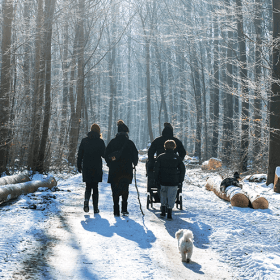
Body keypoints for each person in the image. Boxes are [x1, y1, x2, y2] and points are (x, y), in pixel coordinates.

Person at [105, 120, 138, 216]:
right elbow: (135, 156)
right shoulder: (130, 143)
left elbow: (106, 154)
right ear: (126, 133)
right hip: (126, 170)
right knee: (125, 189)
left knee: (115, 189)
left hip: (114, 170)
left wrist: (109, 163)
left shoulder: (112, 142)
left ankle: (116, 209)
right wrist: (134, 164)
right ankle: (124, 209)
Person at [77, 123, 106, 213]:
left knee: (88, 186)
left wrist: (79, 165)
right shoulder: (100, 142)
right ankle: (96, 208)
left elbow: (80, 154)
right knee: (95, 187)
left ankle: (86, 202)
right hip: (96, 167)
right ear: (98, 131)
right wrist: (111, 163)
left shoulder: (84, 140)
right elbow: (104, 154)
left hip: (86, 166)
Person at [154, 140, 186, 220]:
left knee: (163, 195)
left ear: (165, 146)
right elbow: (182, 169)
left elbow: (156, 169)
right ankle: (169, 213)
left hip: (163, 180)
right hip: (173, 180)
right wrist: (180, 180)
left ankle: (163, 211)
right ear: (174, 147)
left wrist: (156, 179)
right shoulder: (177, 158)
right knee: (171, 196)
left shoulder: (161, 157)